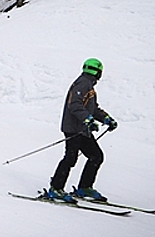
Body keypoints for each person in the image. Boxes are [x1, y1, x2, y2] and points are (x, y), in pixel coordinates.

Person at [46, 58, 118, 202]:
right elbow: (74, 105)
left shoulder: (88, 85)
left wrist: (106, 119)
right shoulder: (83, 84)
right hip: (73, 128)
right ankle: (56, 188)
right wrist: (88, 120)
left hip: (82, 129)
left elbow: (93, 108)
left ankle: (85, 188)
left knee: (96, 156)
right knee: (71, 158)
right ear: (98, 72)